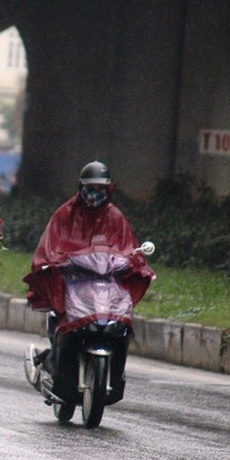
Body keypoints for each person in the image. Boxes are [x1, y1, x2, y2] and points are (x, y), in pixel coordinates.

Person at [23, 160, 152, 392]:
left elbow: (127, 247)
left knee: (122, 324)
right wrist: (55, 262)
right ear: (81, 187)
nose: (94, 194)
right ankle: (55, 365)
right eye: (90, 188)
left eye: (100, 188)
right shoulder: (65, 214)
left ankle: (117, 377)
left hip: (105, 284)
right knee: (65, 322)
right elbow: (51, 244)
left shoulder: (115, 217)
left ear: (108, 189)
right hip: (73, 284)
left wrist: (132, 261)